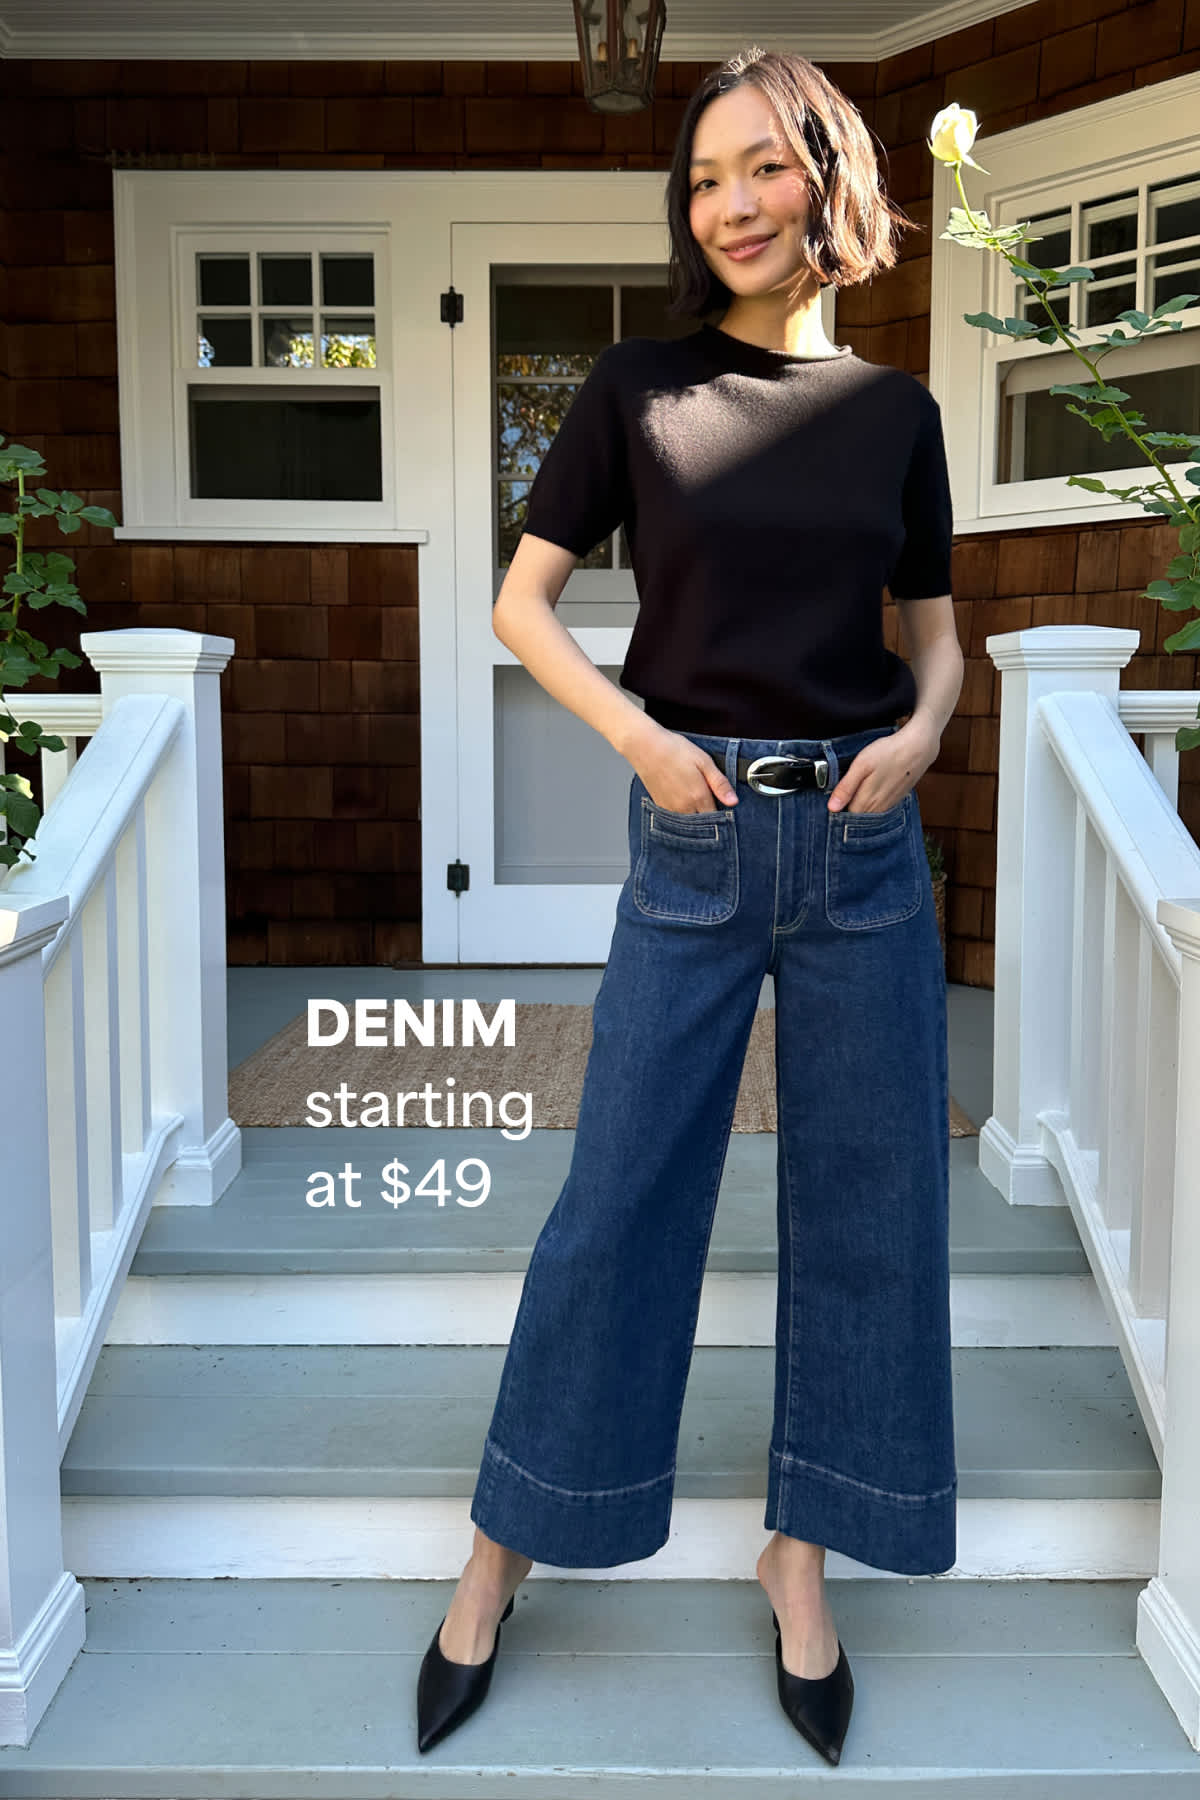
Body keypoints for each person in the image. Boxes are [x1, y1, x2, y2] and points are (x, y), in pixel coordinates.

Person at [416, 43, 963, 1768]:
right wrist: (642, 738)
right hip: (699, 832)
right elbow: (521, 607)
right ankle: (502, 1548)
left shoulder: (898, 414)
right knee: (619, 1196)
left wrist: (933, 730)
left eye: (761, 169)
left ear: (829, 180)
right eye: (703, 178)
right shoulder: (636, 389)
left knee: (874, 1210)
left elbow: (933, 630)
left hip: (865, 848)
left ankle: (801, 1556)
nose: (727, 203)